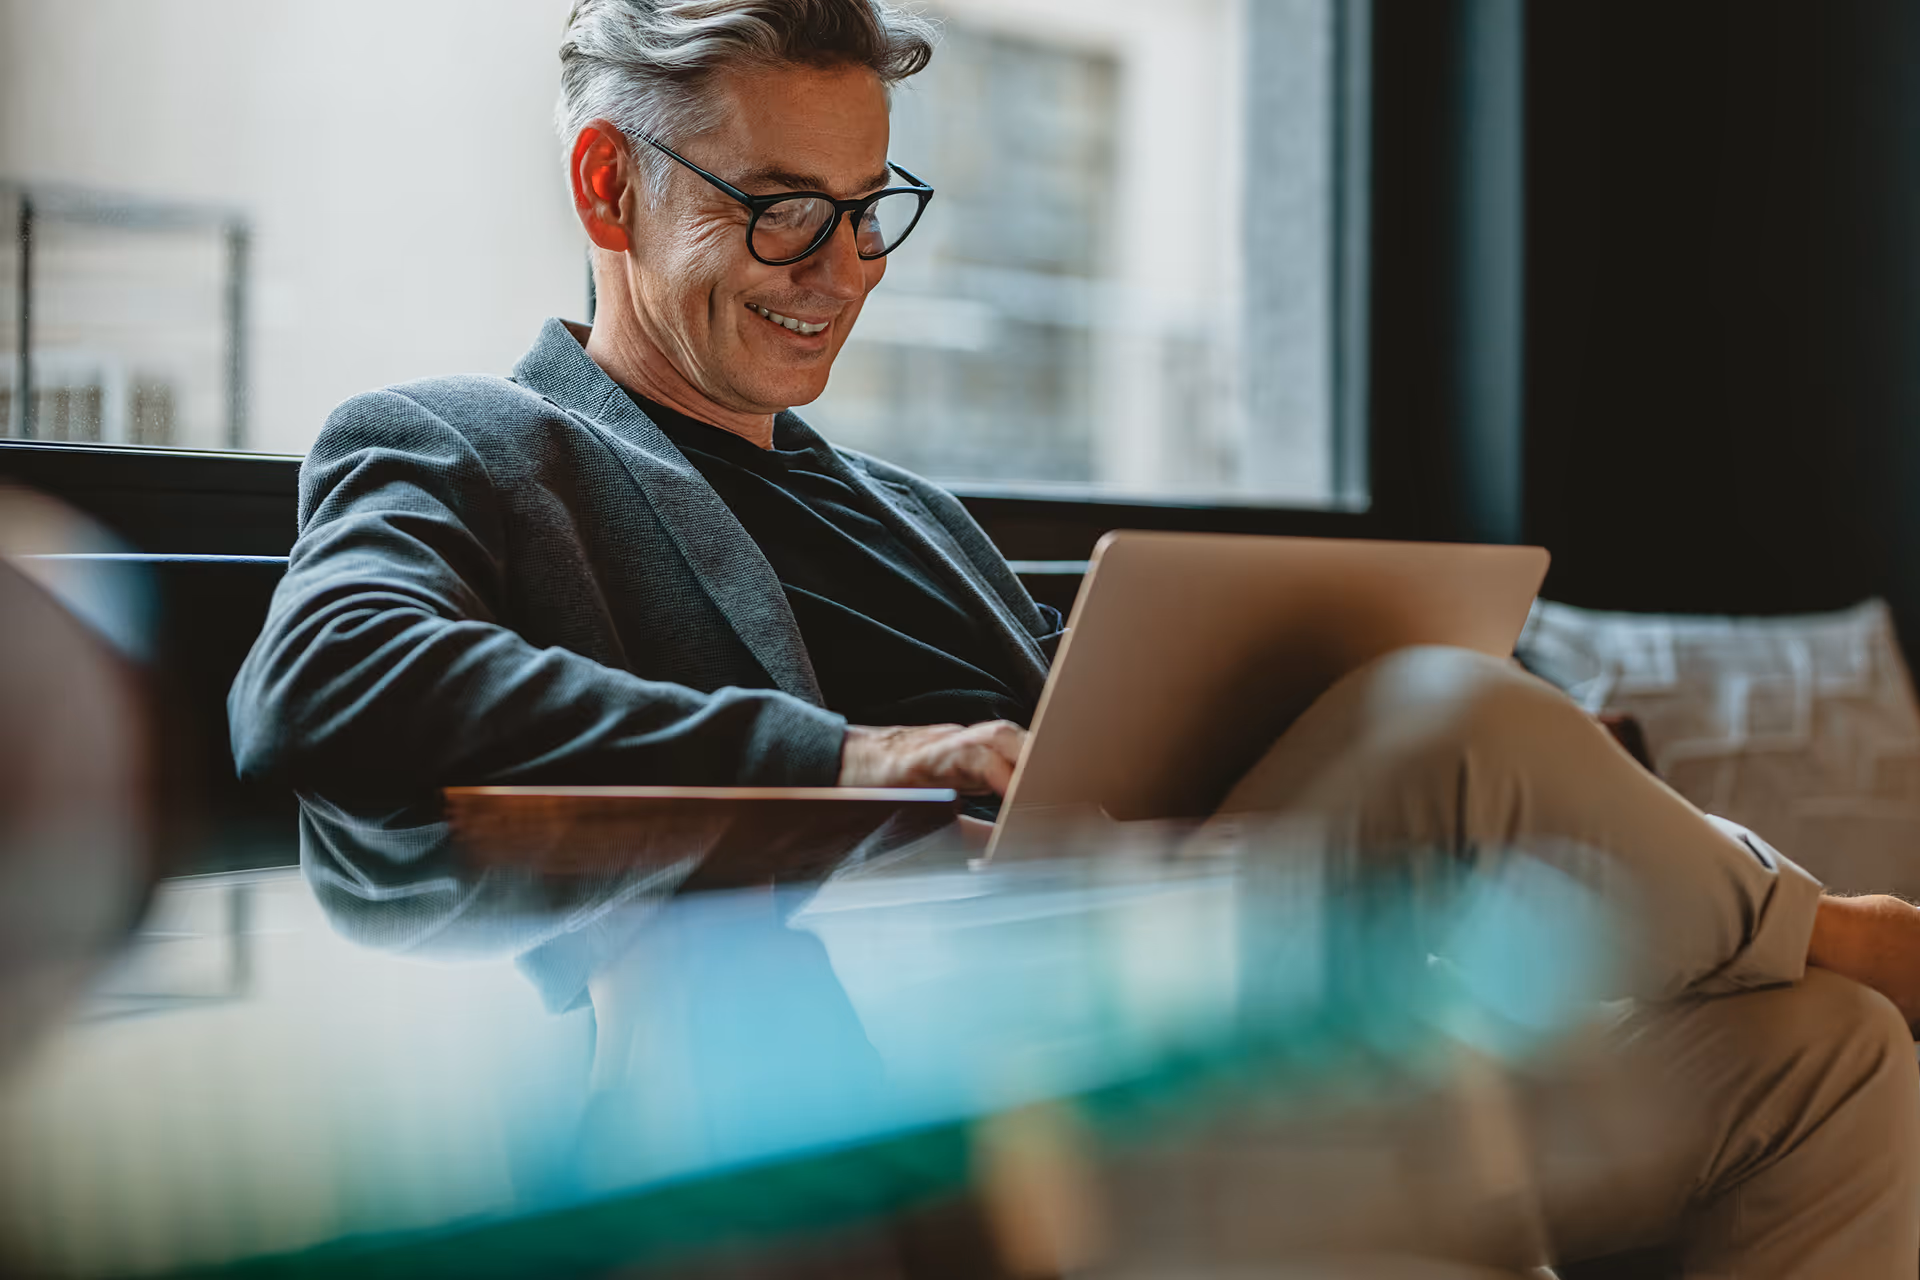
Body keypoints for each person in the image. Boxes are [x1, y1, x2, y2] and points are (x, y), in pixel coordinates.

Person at [228, 1, 1920, 1273]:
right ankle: (1828, 920)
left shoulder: (911, 511)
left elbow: (1114, 737)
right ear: (608, 182)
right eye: (781, 207)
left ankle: (1793, 957)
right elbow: (329, 680)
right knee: (1445, 725)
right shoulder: (460, 440)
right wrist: (857, 756)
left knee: (1821, 1062)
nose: (843, 268)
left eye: (870, 205)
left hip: (1198, 1004)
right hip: (918, 1089)